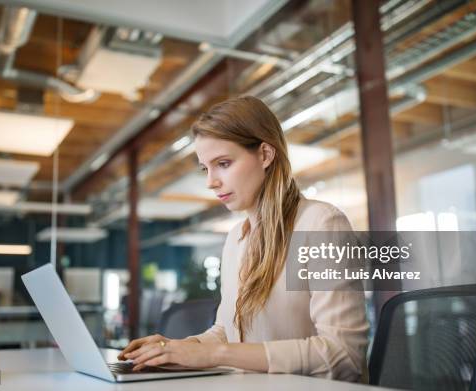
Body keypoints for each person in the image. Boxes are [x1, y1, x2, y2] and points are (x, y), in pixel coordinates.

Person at [118, 96, 369, 381]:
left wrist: (215, 355)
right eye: (205, 168)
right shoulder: (237, 238)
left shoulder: (321, 224)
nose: (211, 181)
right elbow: (226, 331)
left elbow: (344, 355)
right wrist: (176, 349)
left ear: (265, 155)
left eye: (223, 163)